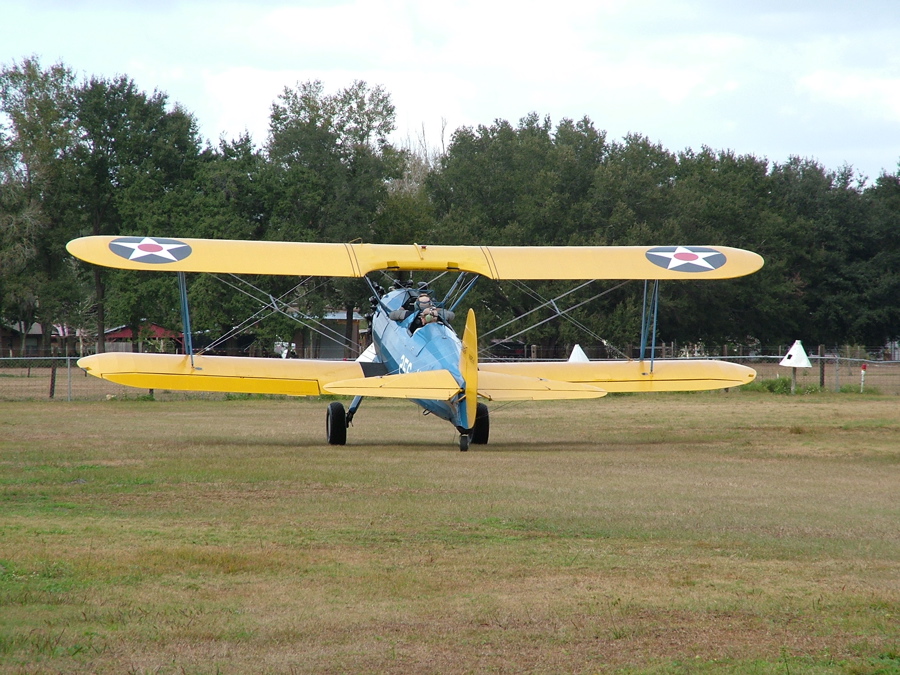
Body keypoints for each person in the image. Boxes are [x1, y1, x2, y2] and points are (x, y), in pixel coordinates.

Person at [389, 292, 454, 330]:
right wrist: (437, 311)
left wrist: (402, 309)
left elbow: (392, 315)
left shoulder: (408, 314)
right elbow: (451, 315)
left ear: (416, 305)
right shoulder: (438, 315)